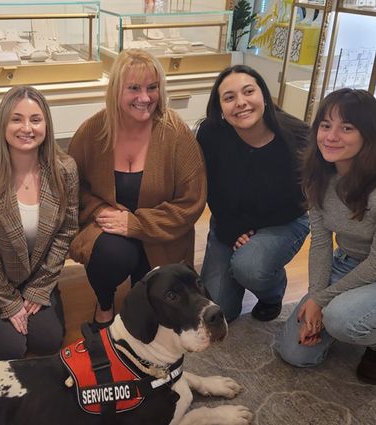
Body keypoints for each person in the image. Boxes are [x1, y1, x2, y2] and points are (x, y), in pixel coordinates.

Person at [68, 48, 207, 328]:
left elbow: (192, 201)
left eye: (152, 88)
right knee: (111, 257)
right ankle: (104, 304)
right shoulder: (92, 132)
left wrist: (136, 223)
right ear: (116, 90)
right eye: (134, 88)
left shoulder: (176, 132)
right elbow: (73, 187)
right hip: (107, 227)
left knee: (154, 315)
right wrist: (102, 210)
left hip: (161, 233)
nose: (145, 98)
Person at [0, 85, 78, 360]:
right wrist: (10, 303)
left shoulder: (65, 170)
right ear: (3, 123)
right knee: (11, 348)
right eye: (16, 119)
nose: (27, 128)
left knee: (48, 340)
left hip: (36, 276)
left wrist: (40, 289)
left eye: (35, 119)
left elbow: (66, 232)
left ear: (46, 125)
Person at [196, 65, 310, 323]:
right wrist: (233, 229)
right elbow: (210, 189)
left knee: (251, 266)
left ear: (264, 97)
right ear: (221, 108)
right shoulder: (211, 134)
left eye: (249, 92)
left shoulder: (297, 135)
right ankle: (248, 265)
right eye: (229, 97)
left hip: (284, 220)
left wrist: (252, 232)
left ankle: (273, 290)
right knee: (220, 309)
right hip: (231, 222)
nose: (241, 103)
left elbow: (300, 199)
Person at [277, 88, 376, 384]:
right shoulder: (319, 175)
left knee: (339, 319)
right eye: (325, 125)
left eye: (346, 127)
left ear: (368, 135)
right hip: (347, 263)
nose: (331, 136)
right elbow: (321, 242)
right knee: (294, 352)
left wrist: (322, 300)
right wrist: (317, 299)